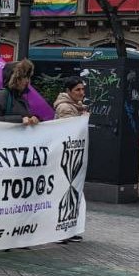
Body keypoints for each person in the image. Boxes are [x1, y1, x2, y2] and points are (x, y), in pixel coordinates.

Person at [54, 76, 88, 244]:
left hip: (73, 156)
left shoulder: (77, 106)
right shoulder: (65, 107)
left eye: (82, 89)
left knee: (73, 192)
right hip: (66, 157)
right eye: (77, 90)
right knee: (64, 192)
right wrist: (83, 119)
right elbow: (69, 130)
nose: (81, 93)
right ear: (68, 91)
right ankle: (59, 231)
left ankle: (69, 228)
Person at [0, 59, 40, 126]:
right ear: (15, 78)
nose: (27, 80)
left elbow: (24, 118)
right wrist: (20, 120)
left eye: (28, 77)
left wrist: (32, 119)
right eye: (24, 77)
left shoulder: (21, 98)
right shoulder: (2, 94)